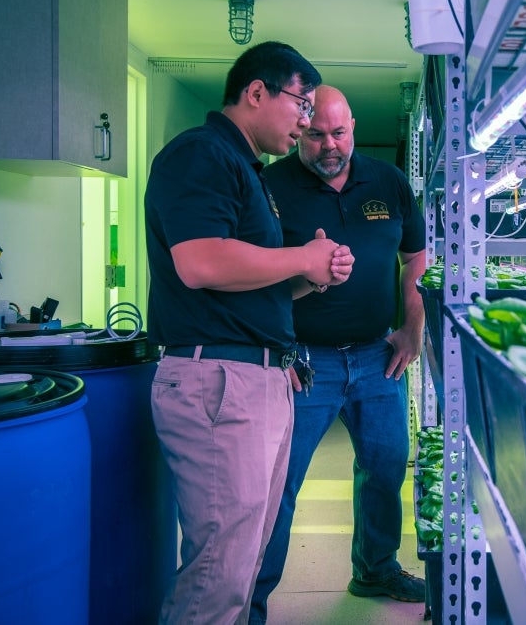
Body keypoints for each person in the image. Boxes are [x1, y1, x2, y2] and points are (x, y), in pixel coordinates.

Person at [145, 42, 355, 625]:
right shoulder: (201, 154)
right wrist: (299, 257)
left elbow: (245, 283)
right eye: (301, 103)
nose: (307, 121)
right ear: (256, 92)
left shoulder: (244, 168)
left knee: (242, 564)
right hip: (221, 382)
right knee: (219, 572)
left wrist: (312, 274)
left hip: (254, 378)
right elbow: (202, 262)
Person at [249, 85, 427, 623]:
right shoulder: (270, 185)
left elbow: (415, 258)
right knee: (281, 482)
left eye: (340, 132)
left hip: (379, 357)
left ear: (352, 126)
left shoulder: (389, 182)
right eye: (317, 134)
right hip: (304, 361)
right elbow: (253, 273)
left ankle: (374, 568)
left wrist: (411, 330)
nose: (330, 145)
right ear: (299, 129)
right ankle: (252, 599)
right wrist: (279, 348)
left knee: (386, 467)